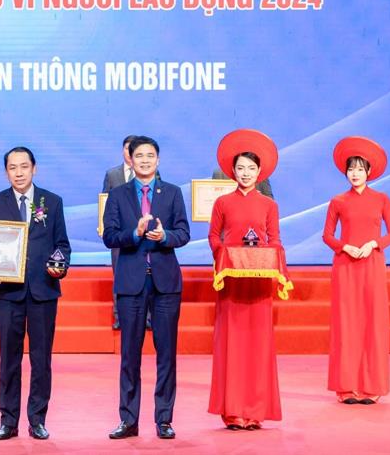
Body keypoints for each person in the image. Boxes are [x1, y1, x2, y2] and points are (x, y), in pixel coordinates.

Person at [102, 135, 190, 440]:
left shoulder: (173, 193)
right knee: (130, 355)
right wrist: (135, 233)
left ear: (158, 160)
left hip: (165, 283)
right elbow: (110, 236)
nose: (145, 160)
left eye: (150, 155)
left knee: (167, 354)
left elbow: (184, 233)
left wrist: (165, 237)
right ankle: (128, 419)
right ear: (130, 159)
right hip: (131, 282)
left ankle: (164, 419)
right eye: (139, 155)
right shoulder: (118, 194)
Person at [0, 147, 71, 441]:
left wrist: (59, 264)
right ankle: (8, 421)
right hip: (9, 292)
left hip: (43, 291)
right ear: (6, 172)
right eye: (13, 167)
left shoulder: (52, 201)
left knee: (41, 359)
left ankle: (37, 420)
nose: (19, 173)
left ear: (34, 168)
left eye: (24, 166)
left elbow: (62, 244)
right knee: (9, 359)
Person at [207, 129, 285, 431]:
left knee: (258, 345)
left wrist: (265, 259)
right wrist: (225, 257)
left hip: (259, 283)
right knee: (233, 344)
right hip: (232, 283)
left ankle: (255, 411)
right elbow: (214, 237)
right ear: (232, 171)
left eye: (251, 168)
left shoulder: (269, 205)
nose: (246, 173)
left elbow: (275, 240)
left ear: (259, 171)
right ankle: (233, 411)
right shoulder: (222, 203)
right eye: (240, 168)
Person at [323, 136, 390, 405]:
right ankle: (346, 388)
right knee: (347, 325)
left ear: (369, 171)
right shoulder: (338, 201)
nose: (355, 174)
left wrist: (374, 244)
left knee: (372, 324)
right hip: (345, 266)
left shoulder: (381, 199)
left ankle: (371, 386)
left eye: (359, 169)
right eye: (351, 169)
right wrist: (344, 247)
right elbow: (327, 235)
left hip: (372, 265)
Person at [101, 135, 136, 330]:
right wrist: (105, 226)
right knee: (119, 275)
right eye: (127, 148)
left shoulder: (150, 174)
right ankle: (119, 317)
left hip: (141, 235)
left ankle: (146, 317)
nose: (130, 152)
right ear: (123, 151)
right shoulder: (112, 174)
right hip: (118, 236)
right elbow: (104, 203)